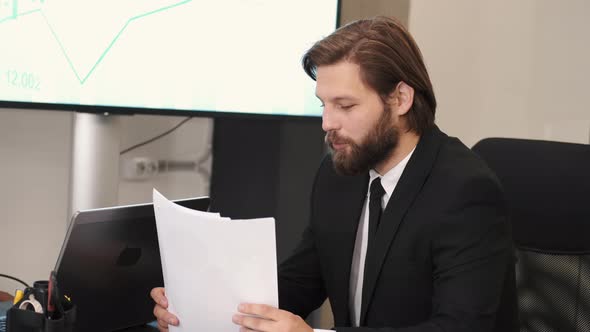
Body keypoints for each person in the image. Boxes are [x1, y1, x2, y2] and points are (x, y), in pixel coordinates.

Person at [151, 16, 518, 332]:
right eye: (323, 105)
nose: (327, 123)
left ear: (401, 99)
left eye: (345, 105)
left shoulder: (465, 191)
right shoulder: (340, 173)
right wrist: (201, 308)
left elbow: (459, 328)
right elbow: (299, 282)